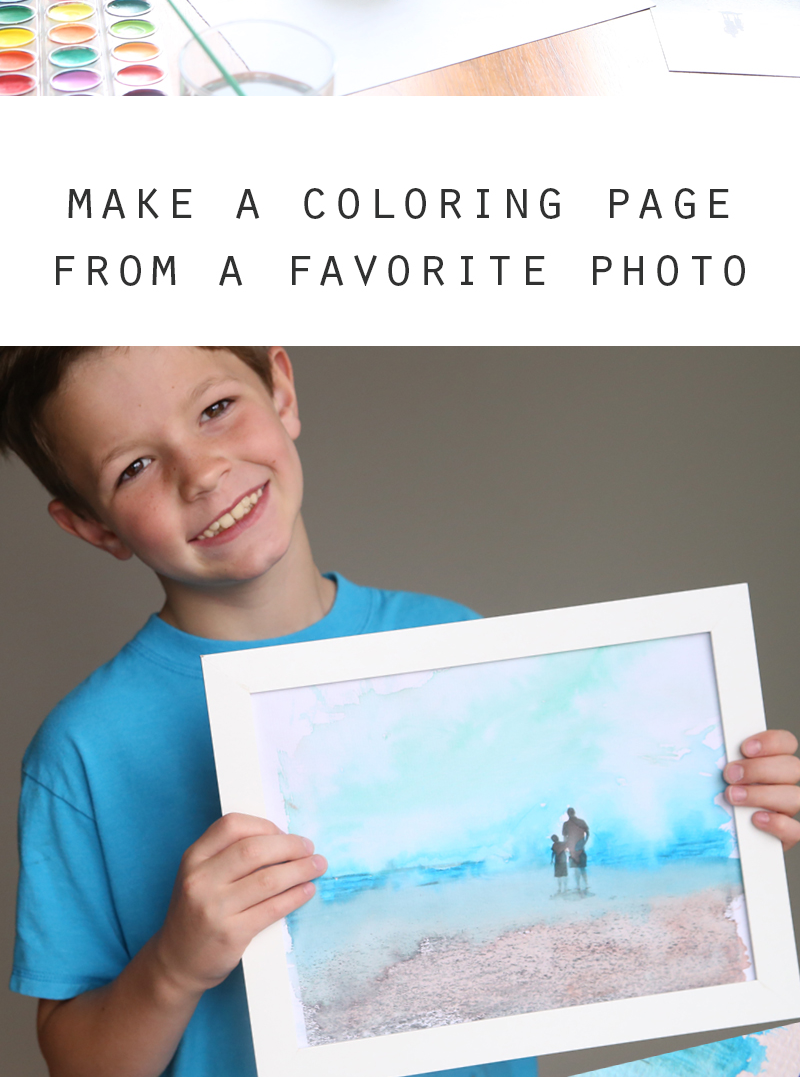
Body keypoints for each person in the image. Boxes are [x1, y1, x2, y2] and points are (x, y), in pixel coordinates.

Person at [3, 344, 797, 1077]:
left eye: (214, 408)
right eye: (135, 464)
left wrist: (729, 801)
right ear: (92, 526)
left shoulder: (451, 640)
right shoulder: (84, 750)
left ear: (280, 387)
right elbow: (78, 1061)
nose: (202, 471)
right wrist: (174, 965)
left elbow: (556, 858)